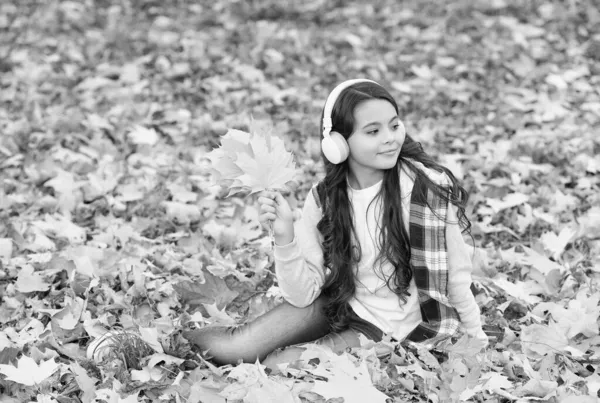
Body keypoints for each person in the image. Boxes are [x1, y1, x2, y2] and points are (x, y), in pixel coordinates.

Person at [183, 79, 488, 369]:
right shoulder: (324, 199)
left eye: (394, 125)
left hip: (383, 329)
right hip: (338, 301)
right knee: (235, 349)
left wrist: (477, 340)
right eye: (373, 131)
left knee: (279, 366)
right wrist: (285, 236)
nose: (390, 138)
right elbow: (302, 295)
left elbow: (457, 277)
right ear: (338, 144)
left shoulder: (425, 191)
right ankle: (168, 342)